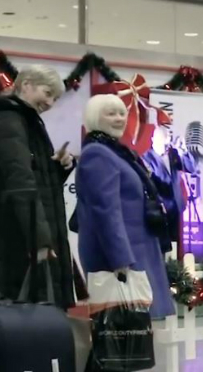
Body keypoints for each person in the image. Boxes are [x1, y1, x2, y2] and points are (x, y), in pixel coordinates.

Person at [0, 65, 76, 308]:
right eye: (47, 94)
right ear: (26, 85)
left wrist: (59, 167)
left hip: (20, 240)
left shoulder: (22, 122)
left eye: (54, 98)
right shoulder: (8, 122)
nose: (50, 103)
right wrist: (41, 241)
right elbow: (19, 182)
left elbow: (30, 182)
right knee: (26, 326)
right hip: (15, 246)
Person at [76, 94, 175, 319]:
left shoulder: (116, 152)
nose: (119, 118)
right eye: (111, 113)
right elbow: (105, 211)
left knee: (138, 332)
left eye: (122, 113)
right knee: (126, 334)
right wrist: (120, 259)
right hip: (124, 257)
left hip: (138, 249)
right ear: (93, 117)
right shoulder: (97, 154)